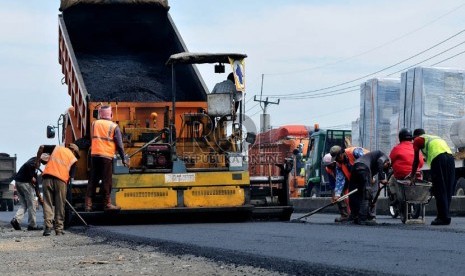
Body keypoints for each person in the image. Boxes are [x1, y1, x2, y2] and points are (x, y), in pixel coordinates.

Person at [85, 105, 127, 212]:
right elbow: (120, 144)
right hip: (106, 157)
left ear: (100, 114)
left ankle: (88, 204)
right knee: (106, 180)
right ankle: (107, 204)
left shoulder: (94, 124)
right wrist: (123, 158)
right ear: (111, 114)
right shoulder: (114, 126)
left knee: (93, 179)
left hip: (94, 155)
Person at [410, 128, 455, 225]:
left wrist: (412, 175)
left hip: (438, 159)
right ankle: (446, 216)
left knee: (439, 188)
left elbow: (416, 160)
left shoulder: (418, 140)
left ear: (416, 136)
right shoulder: (433, 138)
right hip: (450, 158)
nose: (413, 141)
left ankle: (442, 218)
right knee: (448, 188)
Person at [36, 144, 80, 236]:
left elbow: (41, 147)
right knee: (60, 206)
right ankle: (59, 229)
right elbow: (70, 179)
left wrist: (37, 162)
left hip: (47, 178)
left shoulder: (56, 148)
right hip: (61, 181)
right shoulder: (74, 159)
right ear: (74, 151)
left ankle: (48, 228)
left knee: (47, 204)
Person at [349, 150, 391, 225]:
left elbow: (371, 171)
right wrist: (382, 178)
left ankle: (355, 216)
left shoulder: (373, 160)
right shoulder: (384, 156)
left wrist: (370, 178)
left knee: (355, 193)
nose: (381, 169)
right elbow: (380, 162)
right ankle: (363, 218)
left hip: (355, 166)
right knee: (367, 193)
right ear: (387, 163)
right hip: (363, 167)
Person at [10, 154, 49, 231]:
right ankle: (32, 225)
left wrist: (39, 198)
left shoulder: (35, 166)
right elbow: (28, 165)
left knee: (24, 204)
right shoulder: (34, 160)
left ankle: (16, 220)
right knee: (32, 204)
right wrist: (31, 177)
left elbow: (36, 185)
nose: (45, 163)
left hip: (18, 182)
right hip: (25, 183)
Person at [388, 128, 424, 206]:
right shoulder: (416, 147)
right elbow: (421, 162)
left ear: (400, 138)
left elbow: (391, 160)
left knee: (391, 182)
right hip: (416, 174)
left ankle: (396, 197)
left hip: (401, 175)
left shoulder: (396, 148)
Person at [322, 153, 349, 222]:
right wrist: (334, 195)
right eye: (327, 165)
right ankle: (344, 215)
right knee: (338, 198)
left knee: (348, 199)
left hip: (348, 182)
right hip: (338, 185)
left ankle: (353, 214)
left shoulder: (340, 166)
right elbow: (332, 183)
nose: (329, 166)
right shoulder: (328, 169)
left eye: (330, 164)